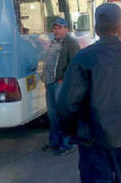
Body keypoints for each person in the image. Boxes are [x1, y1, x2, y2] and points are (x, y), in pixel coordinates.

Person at [57, 3, 121, 183]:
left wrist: (72, 130)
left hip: (93, 139)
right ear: (120, 26)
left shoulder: (84, 57)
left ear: (96, 28)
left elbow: (67, 103)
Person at [41, 17, 79, 156]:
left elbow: (74, 65)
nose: (56, 31)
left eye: (59, 28)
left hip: (60, 84)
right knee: (53, 116)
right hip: (50, 83)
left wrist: (64, 80)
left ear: (66, 29)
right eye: (55, 28)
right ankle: (54, 143)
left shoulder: (71, 43)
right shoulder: (55, 42)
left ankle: (67, 144)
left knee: (63, 115)